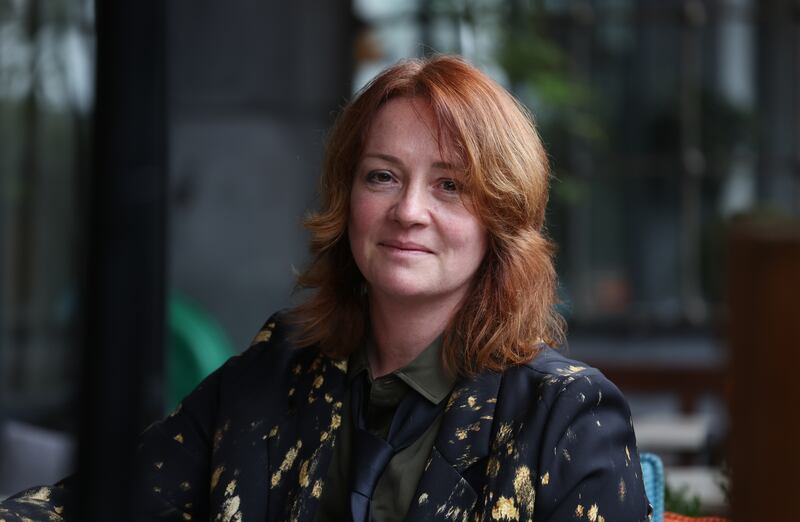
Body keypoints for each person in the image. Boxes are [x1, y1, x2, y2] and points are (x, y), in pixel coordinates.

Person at [1, 55, 652, 521]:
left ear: (501, 218)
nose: (409, 211)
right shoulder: (276, 371)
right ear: (349, 200)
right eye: (382, 176)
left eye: (450, 185)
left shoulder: (567, 416)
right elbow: (91, 504)